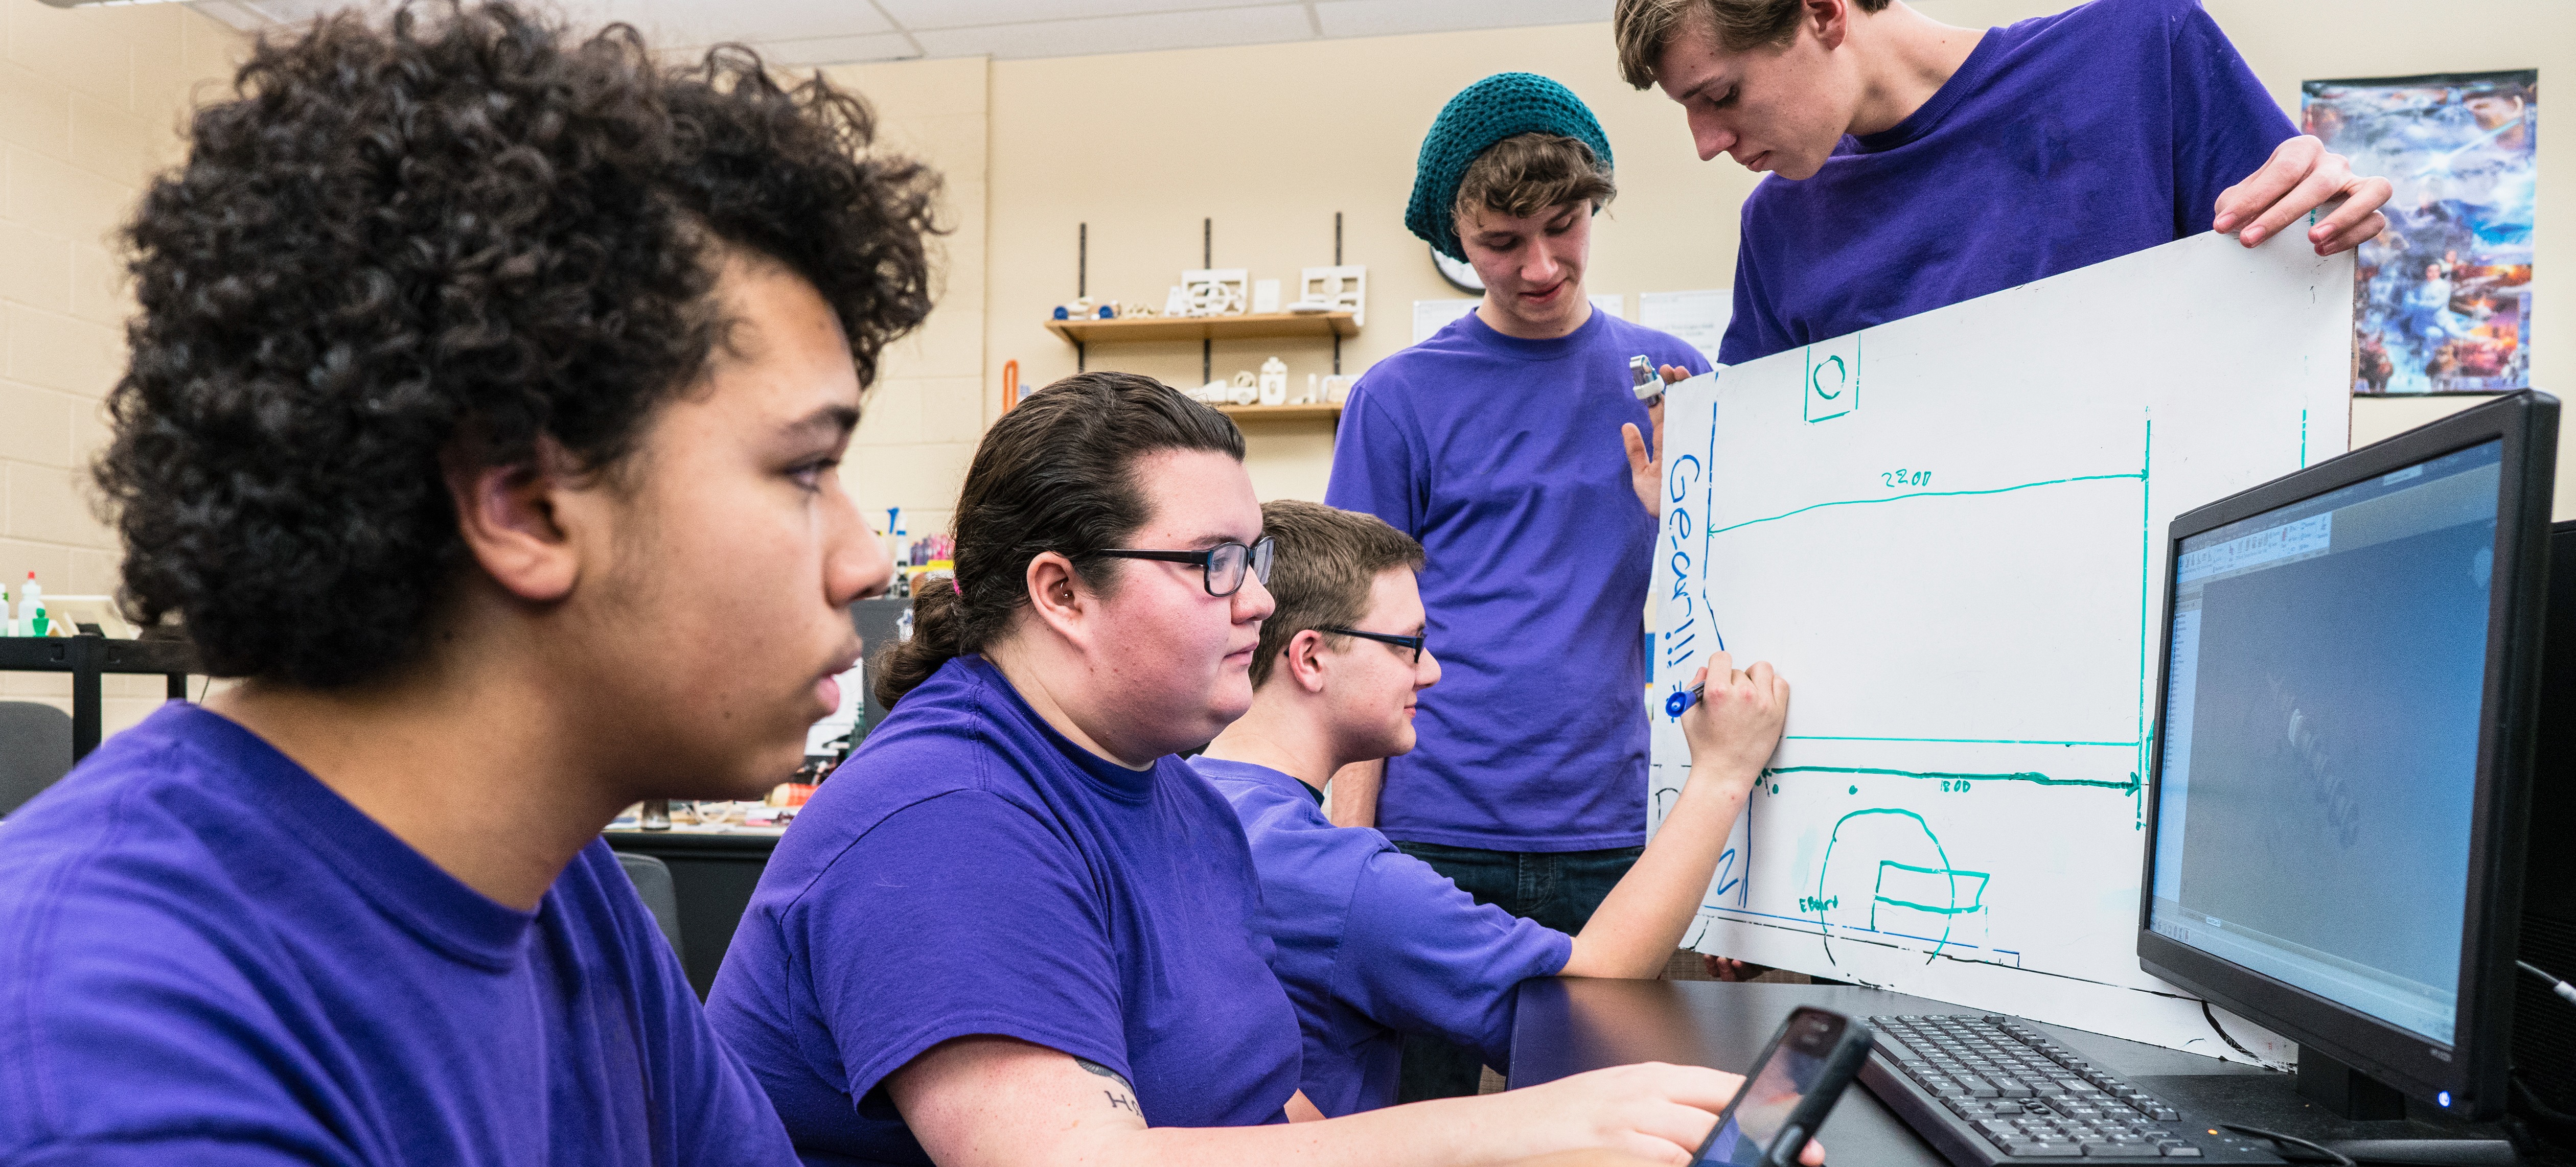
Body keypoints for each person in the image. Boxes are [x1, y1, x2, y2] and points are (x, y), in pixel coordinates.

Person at [0, 5, 936, 1161]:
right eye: (804, 468)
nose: (867, 558)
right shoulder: (120, 1041)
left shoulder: (560, 889)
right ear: (525, 504)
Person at [707, 372, 1759, 1167]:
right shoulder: (949, 816)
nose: (1257, 602)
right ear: (1062, 592)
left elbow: (1267, 1104)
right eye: (1214, 563)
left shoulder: (1182, 799)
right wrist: (1513, 1127)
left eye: (1255, 561)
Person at [1324, 71, 1715, 1104]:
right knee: (1416, 1123)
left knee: (1618, 1121)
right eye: (1503, 242)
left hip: (1614, 825)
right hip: (1432, 828)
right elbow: (1351, 623)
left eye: (1565, 225)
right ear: (1456, 235)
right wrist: (1347, 843)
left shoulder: (1671, 381)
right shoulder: (1398, 398)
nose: (1540, 264)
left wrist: (1680, 517)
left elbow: (1725, 607)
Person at [1195, 500, 1792, 1118]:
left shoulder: (1181, 798)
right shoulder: (1339, 878)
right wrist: (1723, 771)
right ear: (1311, 657)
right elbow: (1589, 997)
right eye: (1410, 644)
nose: (1430, 671)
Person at [1609, 0, 2394, 366]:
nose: (1707, 144)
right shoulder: (1779, 226)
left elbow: (2303, 327)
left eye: (1720, 97)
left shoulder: (2143, 55)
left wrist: (2333, 240)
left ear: (1822, 13)